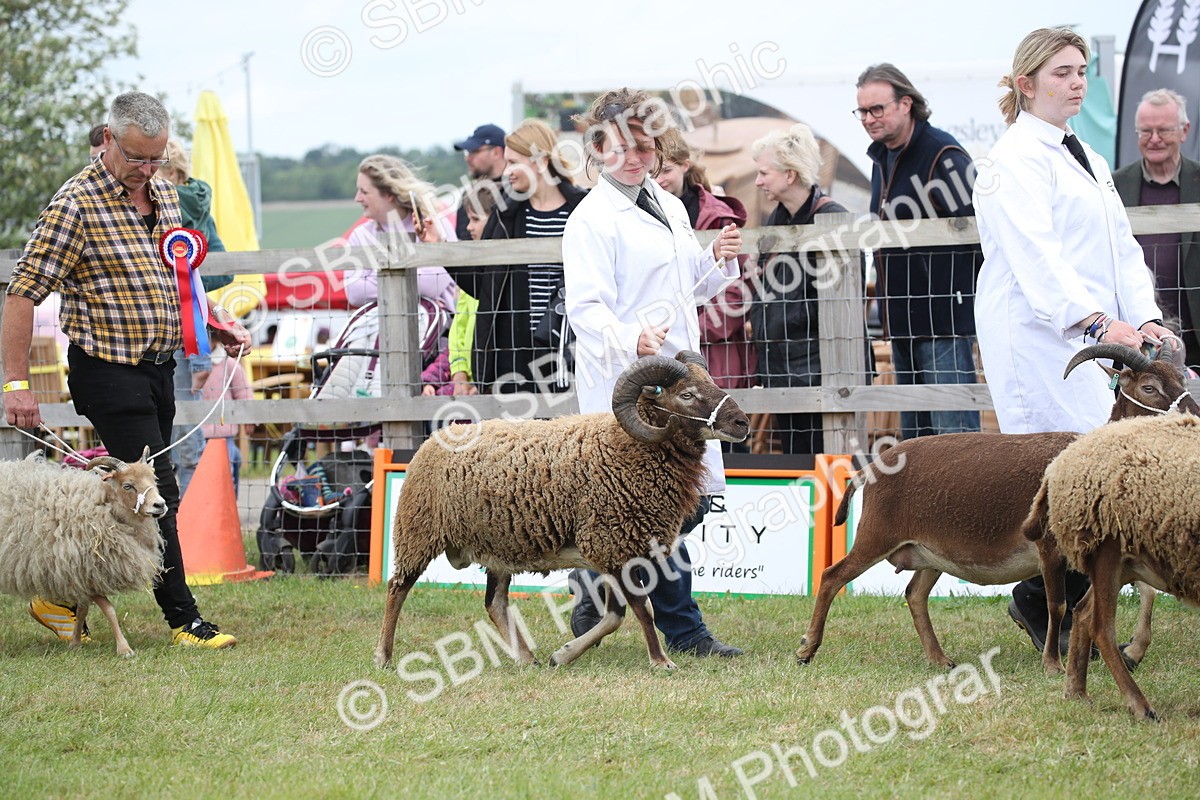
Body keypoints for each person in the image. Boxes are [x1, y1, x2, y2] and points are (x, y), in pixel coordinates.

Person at [2, 91, 251, 649]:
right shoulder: (75, 206)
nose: (147, 170)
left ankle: (58, 595)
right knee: (154, 492)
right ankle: (186, 621)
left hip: (160, 369)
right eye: (137, 158)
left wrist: (215, 323)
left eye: (156, 159)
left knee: (138, 495)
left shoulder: (162, 191)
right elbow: (21, 293)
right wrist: (15, 384)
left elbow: (173, 282)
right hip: (106, 370)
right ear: (109, 140)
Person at [972, 28, 1173, 656]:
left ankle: (1055, 602)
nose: (1077, 81)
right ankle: (1041, 603)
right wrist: (1092, 320)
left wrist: (1145, 317)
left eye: (1082, 70)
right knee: (1059, 466)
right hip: (1038, 336)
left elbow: (1121, 246)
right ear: (1026, 83)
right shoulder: (1011, 160)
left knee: (1099, 465)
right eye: (1062, 71)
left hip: (1098, 334)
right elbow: (1038, 256)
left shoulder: (1082, 151)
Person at [562, 89, 744, 657]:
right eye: (624, 147)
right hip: (630, 383)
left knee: (686, 503)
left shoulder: (669, 205)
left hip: (680, 377)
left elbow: (694, 281)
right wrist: (630, 338)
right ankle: (684, 630)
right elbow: (585, 308)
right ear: (599, 148)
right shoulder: (590, 220)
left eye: (645, 145)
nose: (638, 156)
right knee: (661, 502)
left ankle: (597, 584)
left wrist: (720, 258)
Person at [856, 63, 983, 440]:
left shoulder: (944, 155)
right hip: (901, 321)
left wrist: (958, 297)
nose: (867, 119)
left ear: (906, 103)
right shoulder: (882, 158)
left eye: (876, 109)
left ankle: (965, 502)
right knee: (916, 442)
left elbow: (980, 234)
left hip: (944, 319)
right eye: (861, 111)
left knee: (954, 438)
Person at [457, 119, 587, 393]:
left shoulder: (583, 210)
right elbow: (483, 287)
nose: (507, 172)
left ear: (539, 161)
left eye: (514, 162)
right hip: (513, 357)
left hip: (571, 349)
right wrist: (438, 249)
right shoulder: (504, 215)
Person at [749, 123, 853, 455]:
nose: (758, 181)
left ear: (790, 175)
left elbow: (841, 306)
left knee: (827, 459)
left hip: (821, 370)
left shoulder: (833, 219)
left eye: (764, 172)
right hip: (784, 369)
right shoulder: (777, 221)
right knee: (796, 460)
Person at [655, 128, 755, 404]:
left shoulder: (719, 218)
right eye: (653, 172)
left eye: (666, 170)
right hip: (667, 348)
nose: (658, 179)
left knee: (723, 427)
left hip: (715, 350)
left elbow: (739, 289)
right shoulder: (645, 217)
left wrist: (690, 329)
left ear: (685, 166)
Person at [159, 137, 231, 495]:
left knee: (181, 432)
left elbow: (189, 278)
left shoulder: (167, 205)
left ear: (170, 172)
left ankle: (189, 517)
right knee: (184, 425)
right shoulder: (200, 201)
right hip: (192, 328)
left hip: (178, 328)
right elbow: (218, 267)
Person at [1113, 88, 1200, 366]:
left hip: (1194, 331)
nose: (1154, 139)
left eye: (1163, 130)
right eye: (1145, 131)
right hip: (1135, 338)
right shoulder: (1114, 185)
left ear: (1184, 131)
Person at [342, 154, 458, 312]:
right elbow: (354, 292)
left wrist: (377, 276)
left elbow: (432, 284)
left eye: (364, 192)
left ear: (389, 194)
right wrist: (411, 274)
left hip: (437, 334)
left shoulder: (435, 225)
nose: (357, 198)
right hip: (380, 334)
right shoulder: (360, 236)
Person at [199, 338, 251, 494]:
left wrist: (249, 419)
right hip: (196, 434)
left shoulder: (228, 364)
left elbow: (243, 392)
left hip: (224, 433)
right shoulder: (189, 365)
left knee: (232, 459)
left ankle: (229, 498)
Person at [453, 123, 506, 241]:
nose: (467, 158)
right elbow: (465, 245)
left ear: (496, 152)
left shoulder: (518, 191)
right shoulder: (469, 195)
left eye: (474, 151)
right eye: (467, 153)